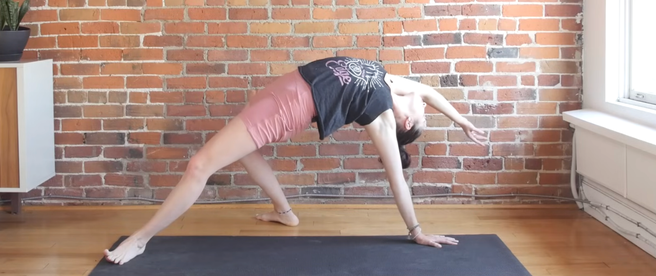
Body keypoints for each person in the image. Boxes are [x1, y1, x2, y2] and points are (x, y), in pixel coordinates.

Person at [104, 56, 488, 265]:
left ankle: (140, 240)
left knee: (200, 165)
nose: (426, 107)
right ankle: (285, 211)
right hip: (282, 91)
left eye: (424, 117)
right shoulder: (391, 84)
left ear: (407, 122)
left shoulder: (384, 116)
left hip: (286, 108)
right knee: (245, 151)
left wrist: (415, 230)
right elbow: (430, 91)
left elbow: (396, 180)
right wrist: (463, 120)